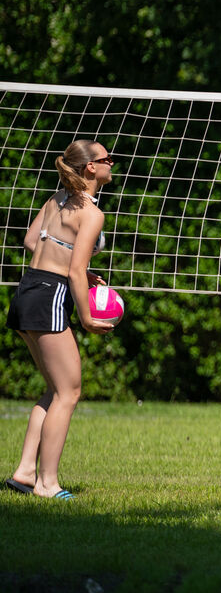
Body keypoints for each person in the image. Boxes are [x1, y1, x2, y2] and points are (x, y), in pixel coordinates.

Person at [5, 140, 118, 500]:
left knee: (55, 390)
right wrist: (85, 317)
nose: (111, 163)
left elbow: (29, 240)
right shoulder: (91, 213)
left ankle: (25, 473)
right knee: (70, 392)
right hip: (49, 295)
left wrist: (68, 264)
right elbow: (75, 271)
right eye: (106, 159)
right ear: (90, 169)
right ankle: (47, 483)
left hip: (27, 290)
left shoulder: (56, 199)